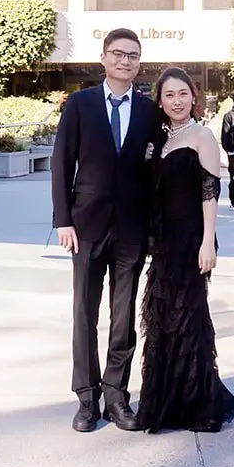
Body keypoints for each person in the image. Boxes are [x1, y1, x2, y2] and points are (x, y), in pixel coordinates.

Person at [51, 28, 161, 433]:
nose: (125, 61)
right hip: (86, 226)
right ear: (103, 58)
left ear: (139, 62)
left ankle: (117, 396)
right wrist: (63, 219)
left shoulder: (150, 112)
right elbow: (62, 164)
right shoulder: (80, 104)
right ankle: (86, 398)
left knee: (123, 315)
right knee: (84, 311)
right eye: (118, 54)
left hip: (132, 226)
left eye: (133, 55)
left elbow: (156, 169)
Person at [136, 66, 234, 433]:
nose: (177, 101)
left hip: (193, 240)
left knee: (189, 319)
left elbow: (209, 191)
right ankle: (164, 403)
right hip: (164, 242)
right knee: (162, 318)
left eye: (183, 94)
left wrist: (208, 241)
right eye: (169, 95)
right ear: (160, 102)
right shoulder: (159, 140)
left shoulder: (202, 137)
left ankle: (199, 404)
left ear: (193, 97)